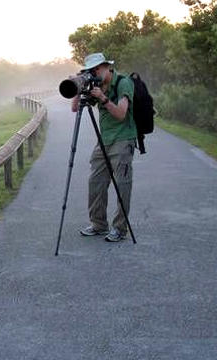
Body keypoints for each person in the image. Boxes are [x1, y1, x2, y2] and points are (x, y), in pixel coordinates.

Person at [72, 52, 136, 242]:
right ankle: (99, 224)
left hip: (124, 139)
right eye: (91, 70)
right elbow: (75, 109)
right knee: (96, 182)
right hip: (104, 140)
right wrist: (77, 87)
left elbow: (121, 114)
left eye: (97, 68)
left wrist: (103, 98)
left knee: (122, 185)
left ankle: (120, 228)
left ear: (107, 66)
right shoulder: (96, 85)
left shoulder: (123, 83)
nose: (95, 72)